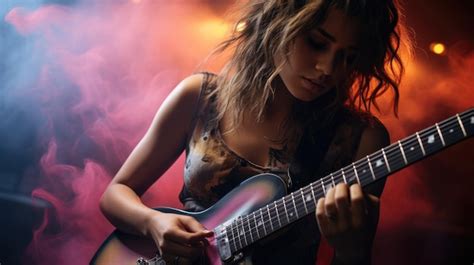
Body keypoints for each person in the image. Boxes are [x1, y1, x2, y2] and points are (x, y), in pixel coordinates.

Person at [100, 0, 408, 264]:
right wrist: (153, 222)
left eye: (348, 56)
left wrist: (354, 253)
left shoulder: (360, 141)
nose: (329, 68)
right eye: (316, 42)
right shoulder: (201, 97)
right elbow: (115, 194)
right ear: (277, 23)